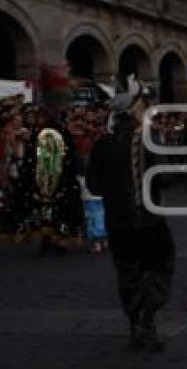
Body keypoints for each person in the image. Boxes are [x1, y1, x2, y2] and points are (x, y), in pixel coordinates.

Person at [87, 76, 175, 352]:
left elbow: (94, 185)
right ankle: (147, 319)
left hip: (119, 223)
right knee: (160, 267)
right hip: (149, 221)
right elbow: (166, 178)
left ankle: (136, 322)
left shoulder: (103, 143)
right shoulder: (150, 140)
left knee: (128, 273)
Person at [9, 62, 85, 252]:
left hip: (55, 167)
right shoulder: (50, 124)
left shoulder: (53, 120)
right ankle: (54, 239)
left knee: (53, 205)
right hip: (52, 169)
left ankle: (52, 238)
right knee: (54, 203)